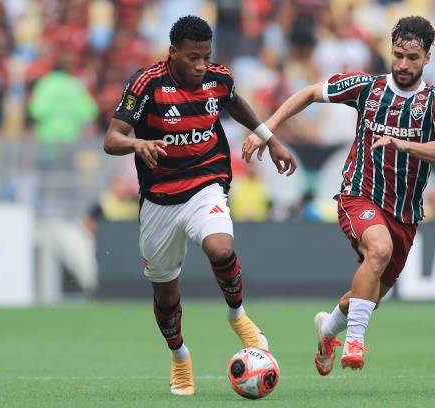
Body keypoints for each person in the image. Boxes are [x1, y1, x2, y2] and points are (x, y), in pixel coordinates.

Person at [243, 16, 435, 373]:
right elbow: (309, 93)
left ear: (427, 58)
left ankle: (327, 330)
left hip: (404, 214)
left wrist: (404, 144)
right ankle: (355, 342)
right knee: (379, 249)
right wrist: (265, 131)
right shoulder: (367, 87)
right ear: (391, 52)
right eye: (399, 55)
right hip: (359, 195)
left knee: (367, 296)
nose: (404, 64)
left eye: (413, 58)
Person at [103, 15, 297, 396]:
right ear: (173, 52)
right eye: (193, 58)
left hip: (206, 184)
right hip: (160, 200)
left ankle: (238, 316)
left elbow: (234, 102)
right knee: (166, 295)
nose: (201, 66)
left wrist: (270, 139)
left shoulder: (217, 78)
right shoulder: (146, 84)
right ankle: (179, 357)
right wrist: (137, 143)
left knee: (220, 248)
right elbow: (112, 138)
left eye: (206, 57)